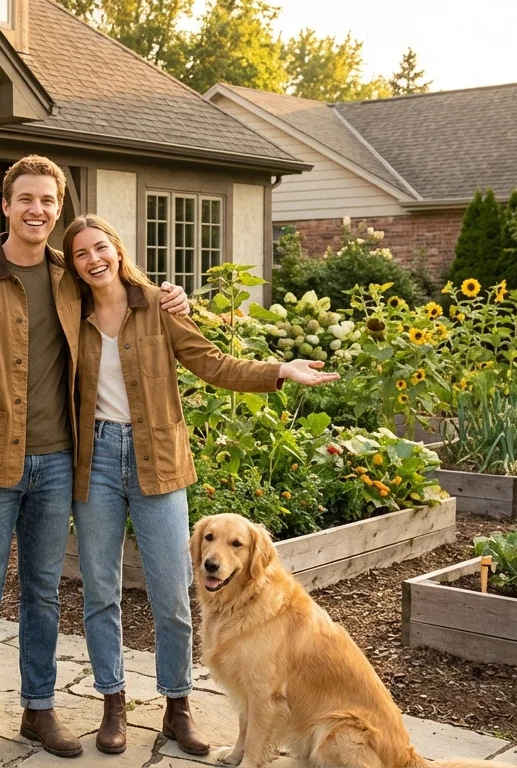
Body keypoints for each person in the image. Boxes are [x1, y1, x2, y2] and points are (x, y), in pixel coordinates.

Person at [0, 156, 189, 768]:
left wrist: (172, 296)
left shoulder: (68, 276)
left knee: (44, 595)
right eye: (25, 198)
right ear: (5, 205)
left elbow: (120, 292)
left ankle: (39, 708)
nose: (37, 209)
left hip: (58, 464)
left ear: (58, 208)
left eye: (47, 200)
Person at [60, 214, 337, 756]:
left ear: (117, 249)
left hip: (159, 460)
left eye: (100, 248)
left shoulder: (158, 308)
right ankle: (113, 704)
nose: (93, 260)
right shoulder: (69, 313)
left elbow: (213, 363)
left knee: (172, 595)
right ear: (72, 265)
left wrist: (279, 370)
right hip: (94, 460)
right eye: (80, 254)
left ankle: (176, 707)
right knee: (100, 592)